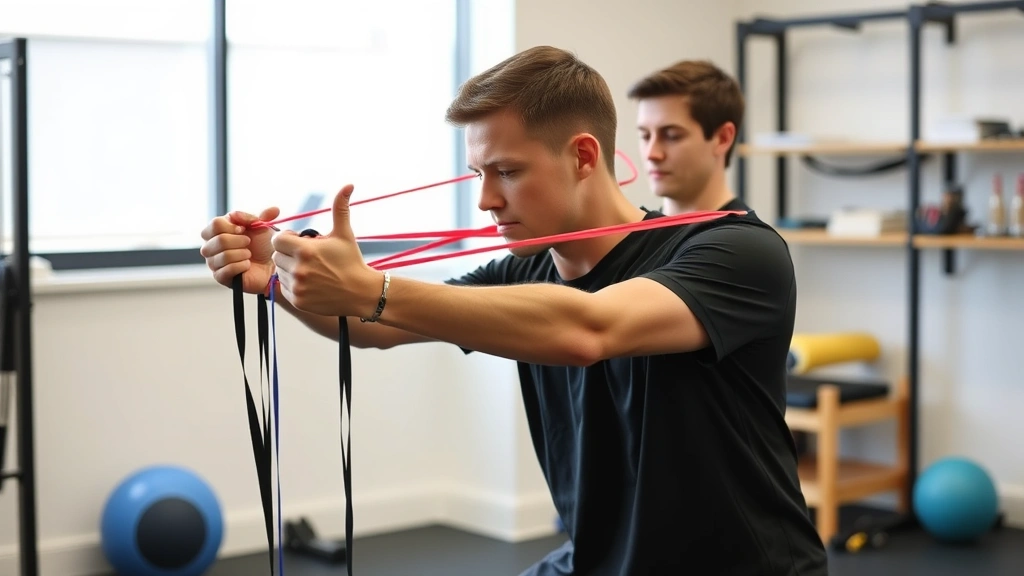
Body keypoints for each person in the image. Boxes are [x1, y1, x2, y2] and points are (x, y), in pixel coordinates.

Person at [200, 46, 829, 575]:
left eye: (506, 171)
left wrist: (370, 288)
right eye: (478, 172)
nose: (485, 200)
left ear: (584, 156)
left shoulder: (735, 251)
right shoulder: (523, 271)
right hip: (597, 561)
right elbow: (375, 327)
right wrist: (274, 279)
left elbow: (588, 328)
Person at [628, 59, 745, 217]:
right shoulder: (643, 228)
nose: (651, 154)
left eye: (672, 136)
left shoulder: (744, 232)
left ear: (722, 138)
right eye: (645, 136)